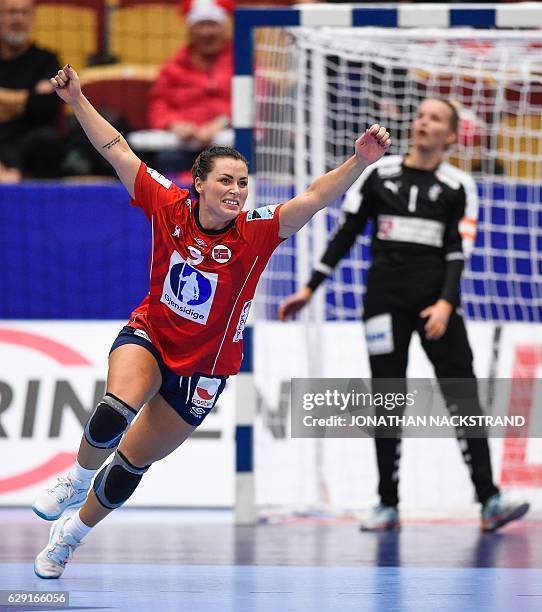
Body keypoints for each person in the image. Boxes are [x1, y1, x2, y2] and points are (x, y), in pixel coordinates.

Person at [31, 63, 390, 579]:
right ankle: (75, 477)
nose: (237, 190)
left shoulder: (259, 230)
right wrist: (77, 100)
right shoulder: (168, 203)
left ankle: (72, 536)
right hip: (152, 334)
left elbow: (316, 197)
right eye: (226, 180)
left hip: (205, 368)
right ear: (199, 184)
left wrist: (359, 161)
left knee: (131, 466)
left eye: (243, 183)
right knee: (114, 411)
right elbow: (116, 149)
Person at [278, 98, 529, 533]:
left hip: (438, 304)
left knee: (462, 396)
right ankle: (387, 504)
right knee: (387, 400)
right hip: (384, 304)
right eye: (420, 115)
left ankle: (489, 501)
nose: (423, 122)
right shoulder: (379, 174)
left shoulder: (458, 186)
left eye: (435, 118)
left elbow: (457, 250)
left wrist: (447, 303)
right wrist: (310, 287)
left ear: (451, 135)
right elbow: (348, 233)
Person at [144, 0, 233, 176]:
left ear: (224, 29)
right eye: (201, 25)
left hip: (229, 142)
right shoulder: (173, 66)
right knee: (166, 160)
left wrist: (221, 123)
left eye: (212, 25)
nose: (207, 32)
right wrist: (173, 123)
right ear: (191, 30)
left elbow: (256, 102)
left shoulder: (242, 62)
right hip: (182, 146)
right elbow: (158, 104)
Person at [0, 0, 61, 181]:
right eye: (10, 12)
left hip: (30, 139)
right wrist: (28, 98)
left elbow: (45, 108)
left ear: (33, 18)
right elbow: (35, 102)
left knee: (47, 139)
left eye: (24, 12)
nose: (17, 19)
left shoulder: (47, 60)